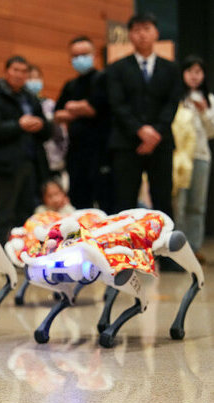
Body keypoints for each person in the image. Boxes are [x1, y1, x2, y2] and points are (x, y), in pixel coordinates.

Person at [106, 13, 182, 216]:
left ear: (156, 32)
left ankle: (163, 246)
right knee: (124, 200)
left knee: (163, 199)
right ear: (129, 35)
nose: (142, 35)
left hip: (161, 142)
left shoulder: (172, 68)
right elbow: (117, 104)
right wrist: (139, 130)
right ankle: (124, 246)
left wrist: (155, 132)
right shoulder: (116, 68)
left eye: (147, 29)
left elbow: (172, 103)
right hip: (126, 142)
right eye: (137, 30)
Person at [0, 55, 51, 245]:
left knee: (27, 213)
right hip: (5, 166)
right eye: (15, 70)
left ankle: (23, 253)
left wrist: (41, 125)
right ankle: (1, 255)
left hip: (30, 164)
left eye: (23, 71)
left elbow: (47, 130)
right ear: (6, 72)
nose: (19, 75)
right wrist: (18, 125)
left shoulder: (30, 98)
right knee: (5, 213)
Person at [54, 36, 113, 212]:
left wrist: (73, 108)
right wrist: (81, 108)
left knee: (106, 201)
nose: (80, 59)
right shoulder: (70, 85)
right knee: (79, 202)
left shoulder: (104, 79)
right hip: (77, 152)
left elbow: (93, 109)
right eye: (75, 55)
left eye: (84, 54)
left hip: (102, 151)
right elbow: (57, 114)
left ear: (94, 55)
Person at [172, 56, 214, 263]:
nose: (194, 76)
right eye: (190, 71)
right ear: (183, 73)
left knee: (197, 205)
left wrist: (205, 111)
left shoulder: (209, 100)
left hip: (201, 157)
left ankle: (194, 247)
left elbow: (211, 132)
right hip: (178, 158)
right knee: (178, 203)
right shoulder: (175, 98)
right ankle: (177, 247)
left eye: (199, 72)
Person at [27, 64, 69, 183]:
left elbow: (61, 135)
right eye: (30, 78)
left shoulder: (50, 105)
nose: (34, 81)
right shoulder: (22, 105)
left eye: (37, 78)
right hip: (29, 158)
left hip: (52, 160)